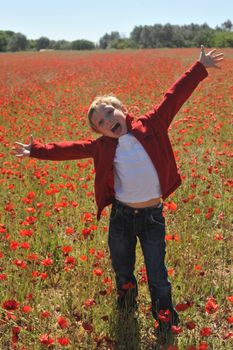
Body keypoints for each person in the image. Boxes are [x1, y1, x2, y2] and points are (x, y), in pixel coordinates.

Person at [13, 46, 224, 333]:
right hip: (122, 218)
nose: (107, 120)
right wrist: (36, 150)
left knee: (158, 273)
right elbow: (68, 149)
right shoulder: (101, 147)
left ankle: (165, 321)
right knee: (122, 267)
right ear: (99, 131)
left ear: (124, 110)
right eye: (100, 122)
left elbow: (173, 97)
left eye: (110, 111)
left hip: (152, 218)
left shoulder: (152, 124)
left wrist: (199, 68)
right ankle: (126, 307)